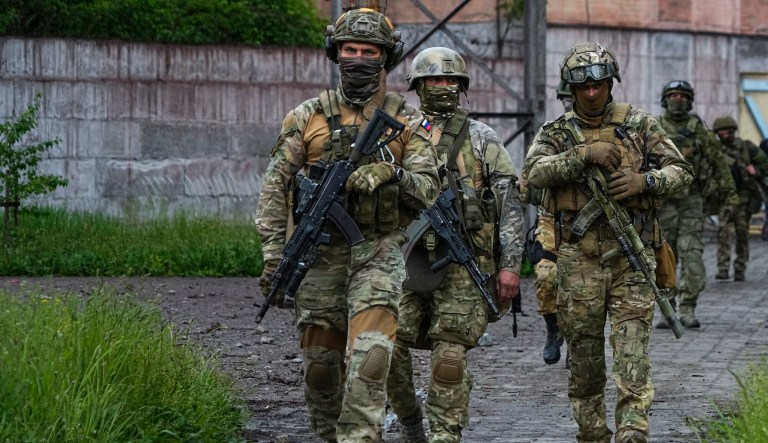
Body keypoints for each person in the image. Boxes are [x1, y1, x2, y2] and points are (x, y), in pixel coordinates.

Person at [255, 8, 440, 442]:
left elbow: (429, 188)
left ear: (385, 57)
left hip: (377, 252)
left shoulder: (410, 121)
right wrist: (273, 255)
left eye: (369, 51)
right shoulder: (306, 117)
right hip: (318, 258)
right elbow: (274, 188)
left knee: (371, 360)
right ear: (335, 53)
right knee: (320, 370)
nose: (358, 59)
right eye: (350, 50)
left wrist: (391, 174)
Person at [523, 41, 692, 443]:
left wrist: (644, 181)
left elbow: (681, 171)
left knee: (633, 358)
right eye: (583, 86)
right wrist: (582, 155)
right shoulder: (556, 133)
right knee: (585, 362)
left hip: (630, 258)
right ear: (571, 88)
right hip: (578, 262)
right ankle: (592, 433)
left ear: (610, 83)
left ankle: (632, 432)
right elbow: (533, 175)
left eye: (598, 84)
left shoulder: (639, 125)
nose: (591, 92)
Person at [386, 47, 524, 442]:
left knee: (449, 357)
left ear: (461, 87)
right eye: (433, 79)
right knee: (385, 346)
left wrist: (510, 265)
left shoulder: (481, 138)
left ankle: (446, 435)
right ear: (418, 86)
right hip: (404, 260)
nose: (442, 86)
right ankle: (410, 420)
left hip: (464, 265)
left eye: (450, 80)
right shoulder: (399, 134)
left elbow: (509, 205)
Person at [654, 80, 738, 329]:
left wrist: (731, 195)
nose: (678, 99)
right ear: (665, 99)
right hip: (663, 203)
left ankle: (688, 307)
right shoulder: (654, 128)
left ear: (690, 101)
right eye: (673, 95)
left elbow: (719, 164)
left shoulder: (699, 131)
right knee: (665, 257)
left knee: (692, 255)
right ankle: (668, 309)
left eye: (683, 96)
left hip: (691, 202)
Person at [520, 79, 573, 365]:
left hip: (590, 222)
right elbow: (528, 180)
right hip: (552, 220)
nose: (570, 103)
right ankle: (554, 330)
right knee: (545, 276)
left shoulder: (603, 132)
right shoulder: (549, 133)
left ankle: (578, 343)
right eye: (566, 98)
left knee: (582, 285)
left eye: (573, 97)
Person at [711, 116, 768, 281]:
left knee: (742, 234)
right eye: (721, 131)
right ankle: (723, 268)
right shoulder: (714, 149)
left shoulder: (746, 147)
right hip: (725, 198)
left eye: (727, 130)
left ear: (732, 130)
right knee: (724, 233)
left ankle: (740, 268)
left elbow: (765, 164)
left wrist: (755, 171)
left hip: (744, 198)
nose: (724, 134)